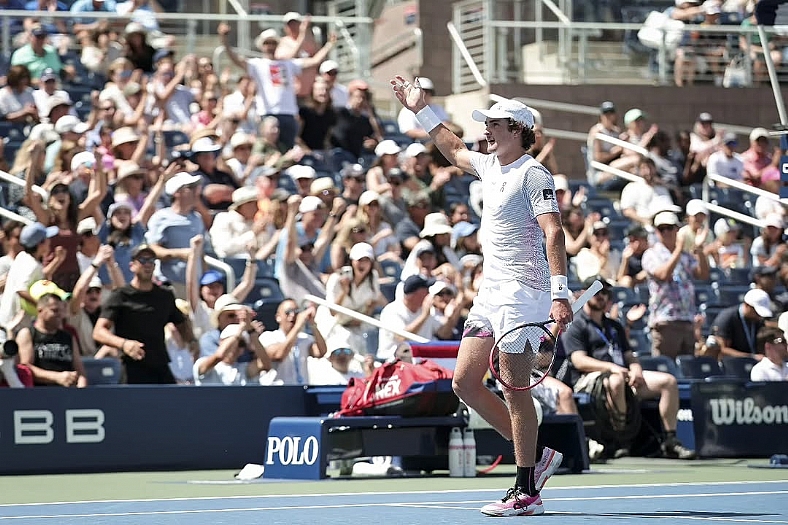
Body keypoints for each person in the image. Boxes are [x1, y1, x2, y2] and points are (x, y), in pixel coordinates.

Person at [392, 77, 572, 516]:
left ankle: (526, 489)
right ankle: (538, 455)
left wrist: (559, 294)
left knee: (514, 390)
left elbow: (554, 232)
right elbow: (452, 149)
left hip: (524, 294)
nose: (486, 130)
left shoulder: (534, 174)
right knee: (465, 383)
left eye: (494, 123)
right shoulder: (491, 166)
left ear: (517, 130)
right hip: (490, 293)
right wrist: (422, 109)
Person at [561, 278, 696, 460]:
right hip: (589, 378)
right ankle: (621, 441)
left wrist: (636, 370)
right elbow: (579, 360)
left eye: (605, 293)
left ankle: (670, 441)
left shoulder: (614, 325)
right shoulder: (577, 324)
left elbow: (629, 355)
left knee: (668, 382)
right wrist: (612, 368)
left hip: (622, 374)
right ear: (584, 294)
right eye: (596, 292)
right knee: (615, 381)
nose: (601, 296)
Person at [93, 244, 194, 384]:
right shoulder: (121, 295)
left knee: (171, 403)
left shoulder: (165, 295)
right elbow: (98, 332)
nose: (148, 264)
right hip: (132, 367)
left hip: (160, 366)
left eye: (151, 260)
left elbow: (180, 322)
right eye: (143, 260)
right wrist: (124, 344)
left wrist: (192, 341)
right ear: (132, 265)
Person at [642, 211, 709, 359]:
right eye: (661, 229)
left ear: (676, 229)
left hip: (687, 320)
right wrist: (678, 249)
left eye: (669, 228)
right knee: (666, 370)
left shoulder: (686, 256)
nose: (666, 232)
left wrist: (700, 249)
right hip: (666, 321)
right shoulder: (651, 254)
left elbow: (703, 274)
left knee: (687, 371)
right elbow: (663, 274)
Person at [17, 293, 87, 387]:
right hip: (39, 394)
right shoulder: (28, 334)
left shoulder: (68, 337)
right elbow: (25, 368)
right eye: (55, 310)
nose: (60, 315)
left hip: (67, 395)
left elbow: (80, 372)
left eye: (62, 311)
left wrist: (81, 391)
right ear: (40, 310)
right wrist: (56, 377)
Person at [258, 299, 328, 385]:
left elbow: (321, 352)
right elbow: (279, 355)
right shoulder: (268, 336)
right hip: (276, 390)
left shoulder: (304, 338)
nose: (292, 315)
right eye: (288, 312)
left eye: (296, 312)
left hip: (300, 389)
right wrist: (298, 326)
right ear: (278, 317)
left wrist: (312, 324)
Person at [710, 289, 771, 361]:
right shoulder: (727, 318)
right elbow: (722, 350)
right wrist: (751, 357)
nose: (759, 316)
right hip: (732, 364)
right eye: (756, 312)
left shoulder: (758, 320)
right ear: (747, 305)